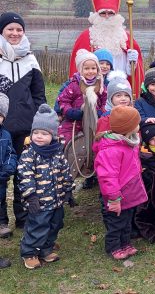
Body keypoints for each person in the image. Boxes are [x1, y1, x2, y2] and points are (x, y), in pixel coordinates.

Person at [0, 12, 46, 229]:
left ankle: (23, 215)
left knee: (23, 172)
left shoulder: (30, 59)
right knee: (1, 175)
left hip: (26, 128)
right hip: (2, 129)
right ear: (2, 31)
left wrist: (39, 121)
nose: (15, 33)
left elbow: (39, 95)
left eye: (19, 29)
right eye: (10, 29)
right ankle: (1, 220)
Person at [17, 105, 74, 269]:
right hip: (39, 203)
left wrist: (68, 190)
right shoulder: (29, 155)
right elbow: (24, 176)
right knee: (38, 226)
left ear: (53, 135)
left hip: (56, 200)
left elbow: (65, 171)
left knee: (55, 225)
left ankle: (45, 249)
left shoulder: (57, 152)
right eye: (36, 133)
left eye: (44, 133)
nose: (39, 137)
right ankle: (29, 252)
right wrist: (31, 196)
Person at [69, 0, 144, 98]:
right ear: (97, 14)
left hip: (121, 91)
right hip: (94, 91)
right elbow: (77, 69)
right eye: (103, 13)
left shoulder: (126, 38)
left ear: (116, 14)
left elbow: (133, 73)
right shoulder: (85, 37)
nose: (107, 16)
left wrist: (133, 63)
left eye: (111, 13)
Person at [93, 106, 148, 260]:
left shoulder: (129, 142)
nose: (139, 126)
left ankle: (125, 243)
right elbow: (108, 177)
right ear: (127, 128)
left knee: (126, 221)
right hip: (117, 196)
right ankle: (113, 246)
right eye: (136, 124)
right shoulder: (112, 149)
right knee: (116, 223)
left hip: (129, 192)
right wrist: (113, 198)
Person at [57, 49, 107, 145]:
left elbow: (106, 100)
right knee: (65, 134)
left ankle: (97, 155)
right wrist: (69, 111)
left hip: (95, 118)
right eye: (86, 68)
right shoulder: (74, 85)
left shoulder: (100, 85)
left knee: (101, 137)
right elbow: (63, 100)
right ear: (80, 70)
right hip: (75, 119)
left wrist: (102, 111)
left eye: (93, 68)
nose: (90, 71)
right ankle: (67, 153)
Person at [0, 93, 17, 241]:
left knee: (1, 199)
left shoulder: (5, 134)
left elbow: (11, 153)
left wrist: (8, 167)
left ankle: (3, 223)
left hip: (1, 176)